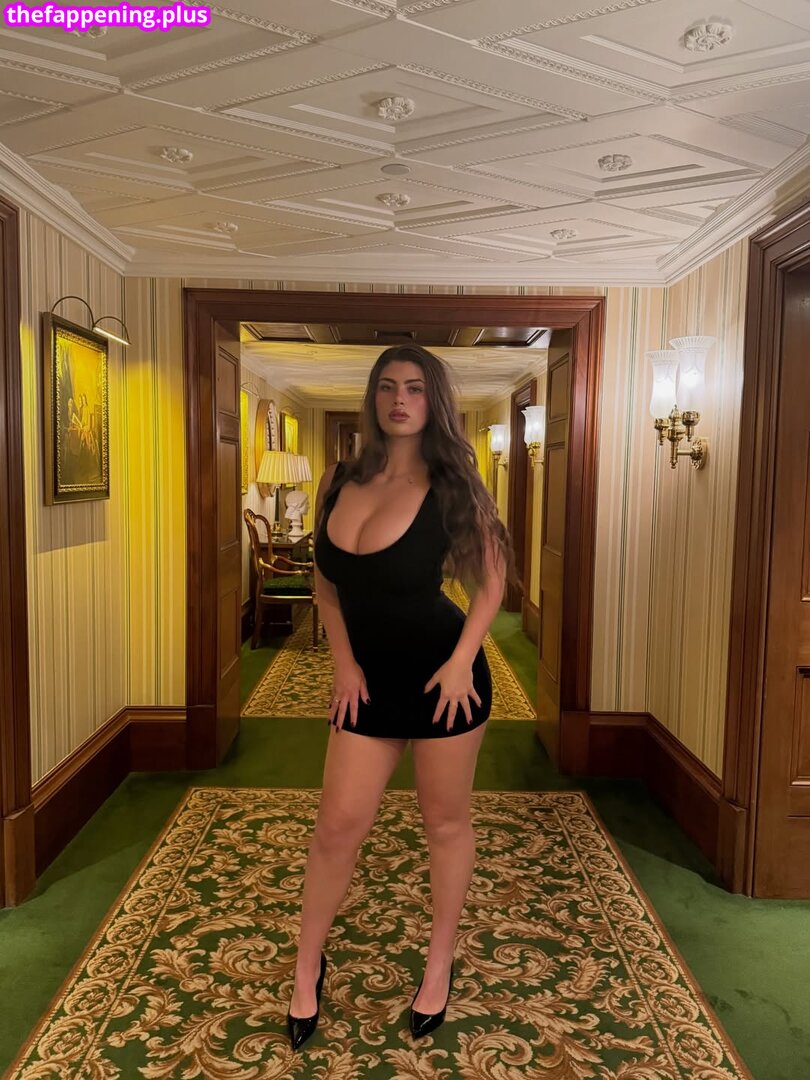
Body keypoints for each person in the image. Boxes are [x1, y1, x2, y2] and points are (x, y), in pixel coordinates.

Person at [287, 343, 517, 1051]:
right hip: (367, 682)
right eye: (388, 387)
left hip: (443, 681)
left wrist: (462, 661)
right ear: (373, 398)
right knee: (336, 827)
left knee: (444, 824)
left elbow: (492, 582)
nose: (399, 400)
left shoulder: (453, 485)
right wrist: (343, 665)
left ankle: (439, 963)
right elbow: (327, 584)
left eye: (415, 388)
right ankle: (306, 965)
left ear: (433, 401)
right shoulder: (339, 479)